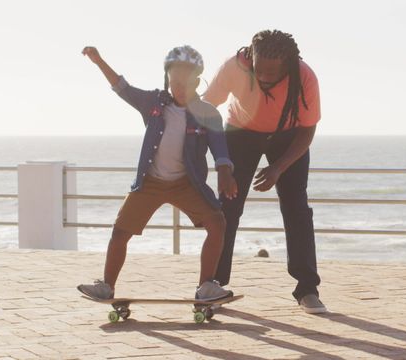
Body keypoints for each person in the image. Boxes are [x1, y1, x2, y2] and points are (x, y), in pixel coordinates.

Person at [77, 45, 237, 301]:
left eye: (185, 82)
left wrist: (225, 172)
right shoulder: (153, 103)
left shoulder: (207, 113)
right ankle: (106, 285)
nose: (179, 88)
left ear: (196, 80)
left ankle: (206, 286)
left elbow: (220, 148)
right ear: (167, 80)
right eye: (174, 82)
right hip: (150, 182)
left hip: (187, 184)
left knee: (218, 224)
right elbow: (122, 88)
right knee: (120, 232)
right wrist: (99, 61)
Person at [202, 30, 326, 313]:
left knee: (297, 209)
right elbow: (207, 107)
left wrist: (278, 168)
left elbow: (308, 129)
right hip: (240, 133)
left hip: (289, 135)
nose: (265, 77)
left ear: (287, 64)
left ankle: (307, 289)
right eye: (260, 69)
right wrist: (220, 162)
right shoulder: (234, 67)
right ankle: (214, 285)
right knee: (227, 208)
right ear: (251, 59)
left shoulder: (304, 77)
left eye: (273, 72)